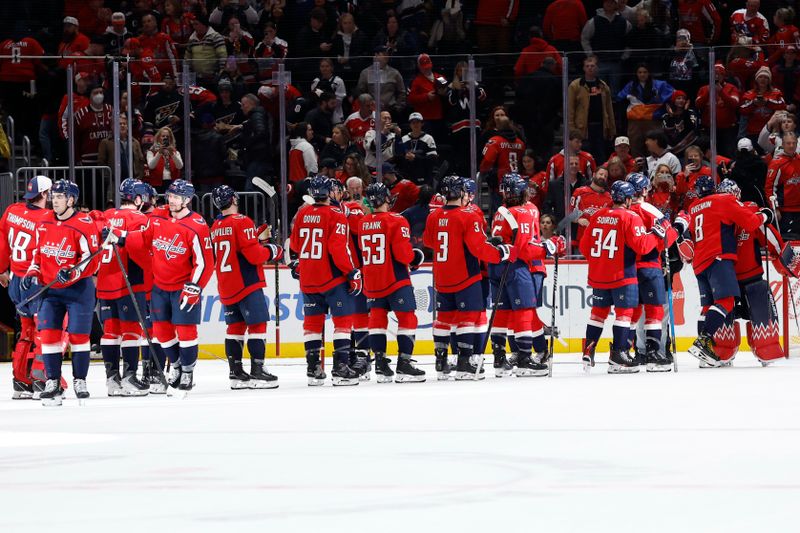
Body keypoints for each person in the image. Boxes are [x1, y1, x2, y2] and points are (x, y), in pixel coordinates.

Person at [118, 179, 214, 395]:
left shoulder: (197, 225)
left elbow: (206, 262)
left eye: (176, 197)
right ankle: (178, 365)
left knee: (186, 331)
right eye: (170, 196)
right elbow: (143, 238)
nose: (171, 201)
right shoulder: (159, 218)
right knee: (162, 332)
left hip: (183, 287)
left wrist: (195, 286)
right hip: (159, 286)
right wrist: (122, 237)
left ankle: (188, 372)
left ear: (187, 200)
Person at [673, 175, 774, 366]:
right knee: (726, 301)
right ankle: (704, 341)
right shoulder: (723, 200)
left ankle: (706, 351)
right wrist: (766, 215)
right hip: (719, 258)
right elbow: (751, 222)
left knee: (708, 306)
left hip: (699, 264)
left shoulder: (693, 207)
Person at [423, 175, 514, 380]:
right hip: (465, 275)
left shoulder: (433, 216)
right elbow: (478, 248)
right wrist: (501, 253)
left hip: (442, 277)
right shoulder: (468, 215)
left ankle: (441, 361)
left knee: (444, 319)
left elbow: (429, 242)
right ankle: (464, 363)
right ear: (460, 193)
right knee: (467, 318)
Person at [22, 180, 102, 405]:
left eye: (59, 197)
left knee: (78, 336)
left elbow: (92, 261)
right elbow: (38, 253)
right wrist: (32, 273)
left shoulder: (84, 224)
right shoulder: (44, 221)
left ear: (71, 200)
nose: (54, 200)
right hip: (51, 290)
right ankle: (53, 382)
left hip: (78, 290)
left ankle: (80, 380)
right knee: (48, 335)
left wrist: (72, 273)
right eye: (53, 196)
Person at [579, 181, 662, 373]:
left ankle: (588, 351)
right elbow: (642, 246)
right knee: (624, 315)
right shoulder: (630, 217)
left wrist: (602, 261)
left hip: (598, 275)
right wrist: (657, 234)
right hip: (622, 275)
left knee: (597, 314)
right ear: (627, 199)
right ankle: (619, 355)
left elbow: (584, 248)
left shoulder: (598, 215)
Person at [488, 174, 565, 378]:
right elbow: (524, 248)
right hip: (517, 266)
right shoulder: (526, 210)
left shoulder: (500, 211)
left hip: (496, 265)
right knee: (525, 310)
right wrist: (548, 247)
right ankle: (524, 359)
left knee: (502, 312)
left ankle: (499, 359)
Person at [289, 176, 361, 386]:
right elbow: (338, 248)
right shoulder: (336, 215)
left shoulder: (302, 213)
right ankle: (340, 368)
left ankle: (313, 369)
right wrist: (352, 272)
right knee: (343, 322)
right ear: (329, 192)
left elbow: (294, 245)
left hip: (308, 278)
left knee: (312, 323)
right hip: (331, 278)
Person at [209, 185, 282, 390]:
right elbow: (254, 256)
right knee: (258, 325)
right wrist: (271, 250)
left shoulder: (215, 225)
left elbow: (236, 246)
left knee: (235, 327)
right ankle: (258, 371)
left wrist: (256, 240)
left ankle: (236, 373)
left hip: (226, 283)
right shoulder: (243, 221)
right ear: (233, 199)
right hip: (246, 282)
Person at [711, 179, 785, 366]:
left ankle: (724, 352)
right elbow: (769, 236)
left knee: (728, 312)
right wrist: (782, 255)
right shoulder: (749, 212)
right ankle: (763, 350)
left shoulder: (717, 216)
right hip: (741, 275)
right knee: (758, 312)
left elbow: (767, 234)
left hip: (728, 276)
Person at [359, 182, 426, 382]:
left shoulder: (363, 222)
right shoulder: (396, 220)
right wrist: (414, 258)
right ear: (385, 198)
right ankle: (404, 364)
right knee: (407, 318)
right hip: (394, 278)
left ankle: (380, 364)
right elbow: (402, 254)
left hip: (371, 278)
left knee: (377, 320)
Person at [94, 179, 152, 397]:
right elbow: (142, 251)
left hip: (104, 281)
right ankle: (129, 379)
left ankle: (112, 381)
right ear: (137, 198)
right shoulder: (139, 218)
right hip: (128, 280)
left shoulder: (106, 216)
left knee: (110, 332)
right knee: (131, 331)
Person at [0, 176, 53, 399]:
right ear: (43, 194)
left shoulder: (12, 210)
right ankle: (42, 379)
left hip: (14, 280)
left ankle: (20, 381)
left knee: (26, 330)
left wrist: (2, 269)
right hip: (35, 281)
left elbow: (2, 241)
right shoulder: (47, 217)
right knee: (44, 330)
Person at [626, 173, 676, 371]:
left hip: (627, 267)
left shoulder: (622, 209)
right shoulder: (648, 208)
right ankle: (655, 351)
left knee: (633, 311)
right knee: (655, 310)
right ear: (645, 190)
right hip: (648, 265)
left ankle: (632, 351)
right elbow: (668, 237)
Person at [617, 64, 675, 157]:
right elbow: (619, 97)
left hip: (653, 121)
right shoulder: (631, 86)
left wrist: (667, 105)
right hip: (635, 122)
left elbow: (673, 95)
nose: (642, 74)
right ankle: (638, 169)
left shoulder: (660, 84)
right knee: (636, 147)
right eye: (639, 72)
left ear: (649, 73)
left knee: (655, 146)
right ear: (636, 74)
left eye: (645, 72)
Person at [567, 55, 616, 162]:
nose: (590, 68)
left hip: (600, 127)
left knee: (601, 157)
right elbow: (570, 110)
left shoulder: (603, 86)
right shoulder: (575, 86)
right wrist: (572, 129)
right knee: (584, 157)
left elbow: (609, 109)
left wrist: (611, 128)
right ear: (584, 68)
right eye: (587, 66)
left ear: (597, 68)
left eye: (592, 66)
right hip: (582, 129)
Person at [480, 116, 526, 215]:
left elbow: (487, 160)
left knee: (500, 211)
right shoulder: (520, 143)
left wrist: (484, 172)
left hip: (500, 181)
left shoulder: (495, 141)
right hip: (517, 181)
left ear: (498, 126)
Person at [696, 64, 741, 158]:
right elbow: (698, 105)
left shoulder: (731, 88)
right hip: (709, 130)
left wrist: (721, 91)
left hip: (728, 130)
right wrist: (708, 91)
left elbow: (735, 104)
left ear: (723, 76)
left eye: (719, 74)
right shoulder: (704, 89)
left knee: (728, 155)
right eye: (714, 74)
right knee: (709, 156)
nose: (716, 76)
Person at [765, 131, 800, 237]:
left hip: (799, 208)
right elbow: (769, 188)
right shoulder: (777, 163)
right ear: (783, 144)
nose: (791, 145)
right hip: (785, 211)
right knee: (788, 240)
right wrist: (775, 209)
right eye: (788, 143)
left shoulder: (799, 159)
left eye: (794, 143)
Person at [355, 46, 407, 116]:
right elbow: (361, 92)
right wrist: (368, 106)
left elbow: (402, 92)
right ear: (376, 55)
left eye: (387, 54)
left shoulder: (395, 73)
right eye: (384, 54)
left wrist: (398, 108)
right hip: (371, 112)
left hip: (391, 111)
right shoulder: (365, 73)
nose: (387, 56)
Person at [740, 67, 786, 141]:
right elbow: (742, 109)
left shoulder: (776, 93)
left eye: (766, 77)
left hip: (771, 131)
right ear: (756, 79)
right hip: (753, 131)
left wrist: (767, 102)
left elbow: (783, 106)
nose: (763, 79)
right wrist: (753, 103)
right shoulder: (749, 94)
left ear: (769, 81)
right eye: (760, 77)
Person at [572, 167, 612, 248]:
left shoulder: (609, 198)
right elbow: (569, 213)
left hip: (600, 242)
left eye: (605, 176)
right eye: (601, 174)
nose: (603, 177)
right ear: (594, 175)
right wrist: (578, 220)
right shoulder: (580, 192)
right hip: (581, 240)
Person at [74, 85, 113, 167]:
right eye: (95, 93)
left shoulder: (110, 110)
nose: (99, 95)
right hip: (88, 160)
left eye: (101, 92)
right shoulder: (81, 114)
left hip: (108, 159)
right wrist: (77, 158)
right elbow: (76, 139)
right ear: (90, 95)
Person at [98, 114, 145, 181]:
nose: (122, 125)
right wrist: (109, 178)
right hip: (114, 182)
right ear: (112, 127)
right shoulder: (106, 142)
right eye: (119, 124)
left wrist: (139, 177)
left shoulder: (135, 142)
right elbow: (101, 163)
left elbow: (141, 161)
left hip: (133, 182)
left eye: (124, 124)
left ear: (128, 126)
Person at [185, 13, 227, 84]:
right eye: (193, 25)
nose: (194, 27)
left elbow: (223, 56)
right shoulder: (192, 39)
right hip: (197, 79)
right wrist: (188, 75)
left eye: (196, 24)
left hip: (213, 79)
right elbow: (187, 59)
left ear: (204, 24)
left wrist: (220, 74)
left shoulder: (216, 37)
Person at [399, 112, 438, 185]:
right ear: (410, 124)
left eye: (418, 122)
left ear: (422, 124)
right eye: (413, 122)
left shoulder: (428, 138)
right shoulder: (404, 139)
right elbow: (399, 157)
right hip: (408, 175)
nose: (415, 124)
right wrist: (405, 157)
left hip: (424, 175)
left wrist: (416, 157)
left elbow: (433, 159)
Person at [729, 137, 768, 205]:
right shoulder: (761, 164)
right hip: (758, 197)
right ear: (752, 149)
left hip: (741, 199)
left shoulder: (736, 167)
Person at [662, 90, 699, 158]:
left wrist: (685, 111)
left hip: (689, 147)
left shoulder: (691, 112)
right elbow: (668, 131)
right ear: (674, 100)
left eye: (683, 98)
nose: (681, 100)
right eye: (678, 98)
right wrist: (671, 116)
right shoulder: (666, 116)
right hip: (673, 149)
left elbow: (692, 128)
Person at [147, 126, 184, 192]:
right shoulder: (151, 151)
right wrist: (159, 153)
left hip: (173, 184)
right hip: (156, 184)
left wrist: (172, 154)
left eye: (167, 136)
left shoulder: (175, 152)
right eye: (163, 136)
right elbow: (151, 166)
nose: (165, 138)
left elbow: (180, 166)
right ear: (158, 138)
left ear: (170, 139)